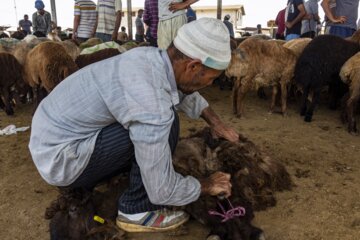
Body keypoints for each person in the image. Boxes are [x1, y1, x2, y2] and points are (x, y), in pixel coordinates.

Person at [29, 18, 236, 233]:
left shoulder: (149, 58)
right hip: (62, 161)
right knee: (167, 123)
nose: (210, 84)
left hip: (50, 142)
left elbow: (180, 90)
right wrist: (207, 184)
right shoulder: (152, 101)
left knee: (163, 119)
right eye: (211, 78)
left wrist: (216, 122)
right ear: (193, 66)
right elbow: (161, 189)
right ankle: (135, 210)